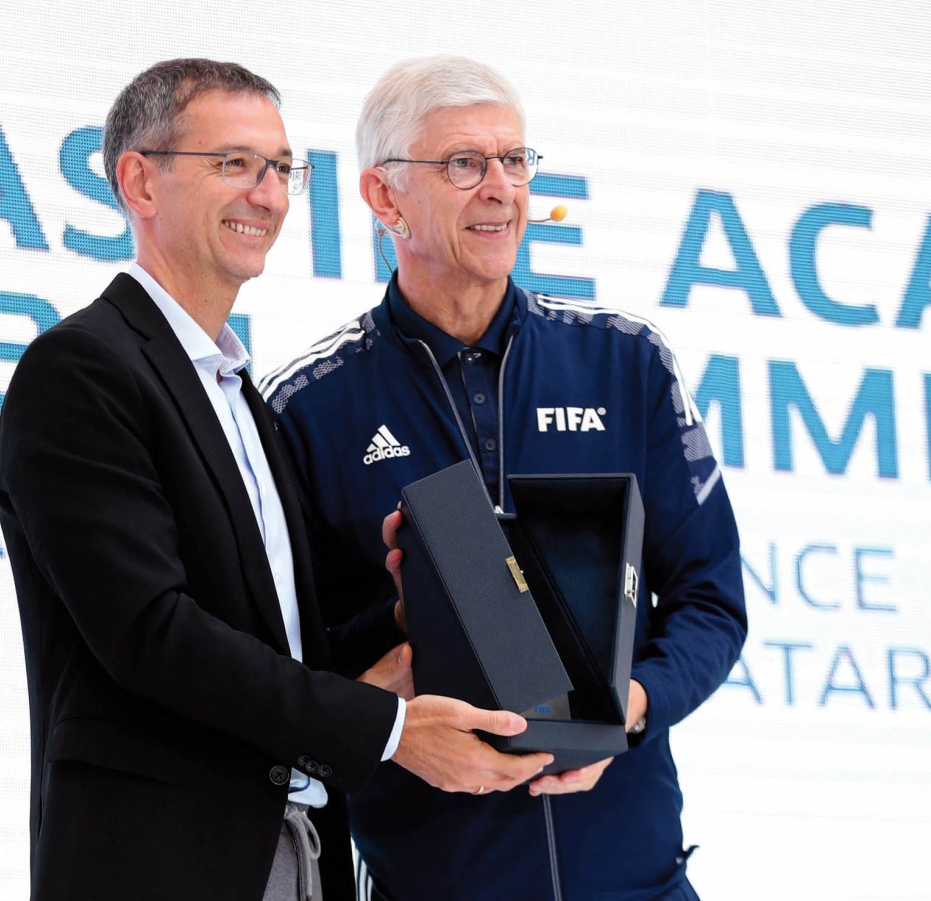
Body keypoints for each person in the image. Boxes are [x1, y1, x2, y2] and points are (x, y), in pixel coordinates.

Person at [0, 57, 554, 901]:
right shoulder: (82, 369)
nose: (266, 194)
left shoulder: (242, 395)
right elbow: (153, 634)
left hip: (296, 852)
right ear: (139, 182)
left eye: (279, 169)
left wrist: (423, 614)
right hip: (162, 862)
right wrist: (392, 728)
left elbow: (280, 643)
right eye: (232, 165)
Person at [261, 55, 748, 901]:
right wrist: (405, 637)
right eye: (462, 164)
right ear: (383, 198)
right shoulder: (308, 406)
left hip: (640, 879)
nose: (499, 188)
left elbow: (711, 600)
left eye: (514, 160)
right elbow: (283, 671)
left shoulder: (623, 359)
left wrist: (626, 709)